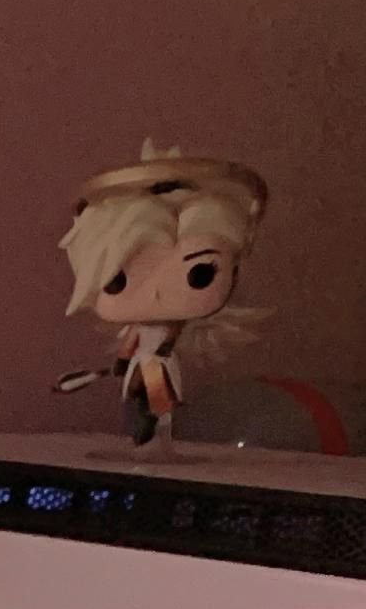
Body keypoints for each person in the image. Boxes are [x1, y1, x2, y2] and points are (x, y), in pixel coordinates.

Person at [53, 146, 267, 446]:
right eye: (116, 280)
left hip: (157, 364)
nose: (153, 293)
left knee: (159, 400)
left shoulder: (170, 331)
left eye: (200, 273)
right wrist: (122, 362)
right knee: (137, 395)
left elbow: (165, 338)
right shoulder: (140, 330)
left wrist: (155, 352)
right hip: (146, 362)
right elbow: (132, 343)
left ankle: (154, 433)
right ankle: (145, 433)